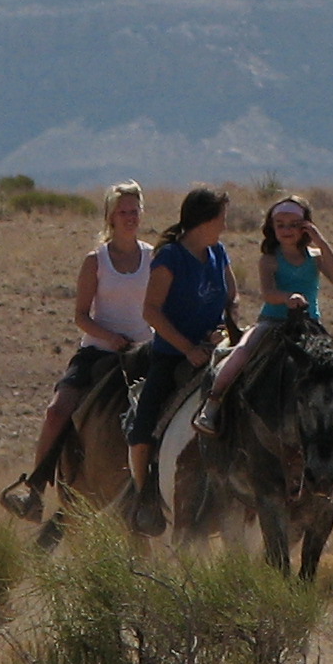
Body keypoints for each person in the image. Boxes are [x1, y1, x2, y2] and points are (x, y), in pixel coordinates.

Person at [0, 182, 153, 521]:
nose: (130, 217)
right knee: (58, 411)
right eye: (123, 212)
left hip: (144, 353)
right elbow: (81, 315)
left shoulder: (152, 256)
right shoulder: (95, 260)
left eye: (134, 211)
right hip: (99, 352)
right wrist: (110, 337)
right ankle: (35, 489)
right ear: (111, 217)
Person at [193, 194, 333, 452]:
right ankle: (213, 404)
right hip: (273, 321)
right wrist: (288, 298)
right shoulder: (270, 259)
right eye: (280, 224)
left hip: (310, 325)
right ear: (271, 228)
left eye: (294, 224)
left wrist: (320, 241)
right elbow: (268, 293)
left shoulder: (315, 256)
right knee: (240, 352)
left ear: (306, 226)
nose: (286, 230)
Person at [119, 186, 238, 536]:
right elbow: (151, 311)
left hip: (217, 353)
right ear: (204, 221)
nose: (225, 226)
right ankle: (144, 497)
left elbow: (232, 298)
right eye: (221, 219)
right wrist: (187, 348)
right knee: (141, 433)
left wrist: (224, 327)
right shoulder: (170, 257)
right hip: (172, 358)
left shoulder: (219, 252)